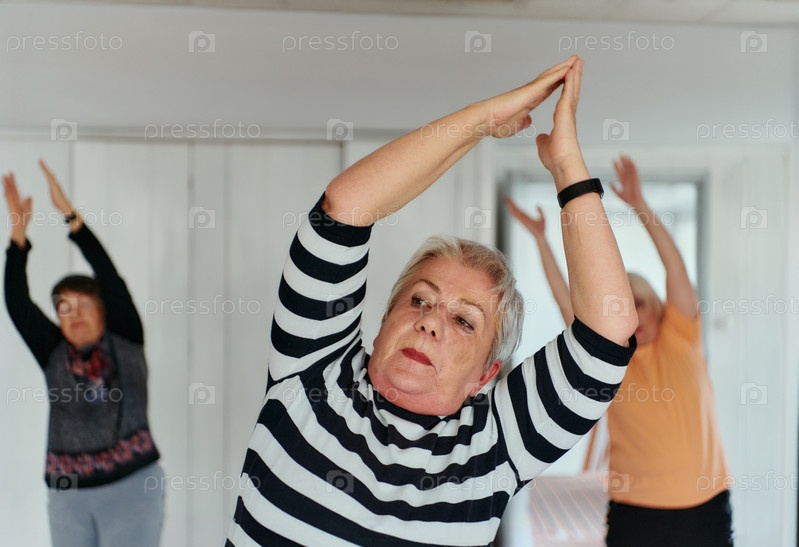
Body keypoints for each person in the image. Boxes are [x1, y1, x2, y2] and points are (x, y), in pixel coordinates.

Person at [226, 56, 638, 546]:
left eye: (465, 321)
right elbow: (343, 211)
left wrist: (568, 165)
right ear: (384, 320)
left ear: (486, 374)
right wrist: (483, 120)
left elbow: (607, 332)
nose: (431, 322)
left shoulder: (496, 446)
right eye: (421, 300)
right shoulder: (313, 371)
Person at [506, 155, 733, 546]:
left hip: (704, 504)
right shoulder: (609, 358)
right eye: (624, 309)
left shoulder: (682, 334)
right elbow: (565, 298)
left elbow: (675, 268)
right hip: (635, 508)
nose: (635, 315)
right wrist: (541, 239)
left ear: (656, 305)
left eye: (639, 303)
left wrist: (639, 205)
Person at [3, 161, 164, 547]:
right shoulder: (53, 352)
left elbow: (108, 276)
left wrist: (70, 215)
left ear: (104, 310)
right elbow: (17, 303)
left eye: (84, 305)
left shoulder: (125, 336)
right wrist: (18, 235)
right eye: (64, 309)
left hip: (131, 488)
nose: (74, 315)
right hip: (68, 496)